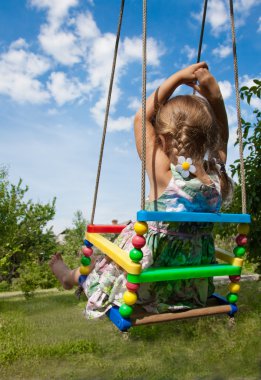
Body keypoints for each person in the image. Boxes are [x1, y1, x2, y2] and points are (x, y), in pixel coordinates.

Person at [50, 62, 232, 318]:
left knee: (105, 261)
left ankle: (70, 277)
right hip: (189, 282)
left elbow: (141, 117)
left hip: (147, 276)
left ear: (163, 138)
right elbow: (222, 138)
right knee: (112, 250)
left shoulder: (164, 173)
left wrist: (177, 77)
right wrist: (215, 98)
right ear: (209, 138)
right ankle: (76, 273)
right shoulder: (216, 176)